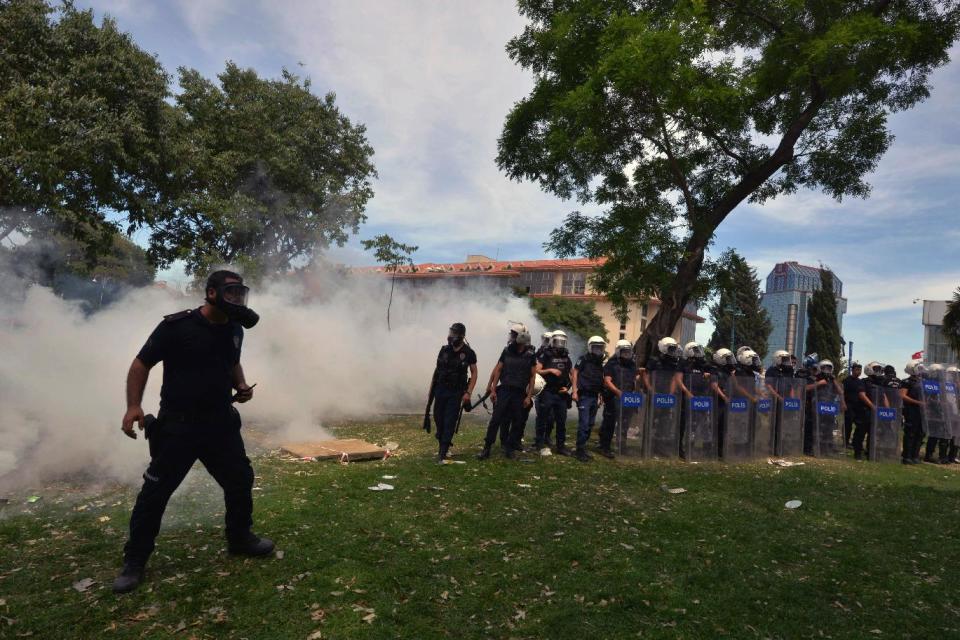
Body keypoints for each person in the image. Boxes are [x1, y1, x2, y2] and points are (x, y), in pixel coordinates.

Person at [113, 270, 270, 594]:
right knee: (155, 494)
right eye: (231, 293)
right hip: (178, 427)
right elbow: (141, 364)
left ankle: (240, 538)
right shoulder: (177, 326)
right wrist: (133, 406)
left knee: (239, 480)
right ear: (211, 293)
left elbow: (231, 361)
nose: (238, 299)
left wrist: (240, 384)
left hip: (220, 425)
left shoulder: (236, 329)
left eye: (241, 293)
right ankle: (135, 562)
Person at [477, 324, 538, 460]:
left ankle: (510, 449)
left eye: (514, 334)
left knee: (517, 421)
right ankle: (487, 448)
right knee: (496, 419)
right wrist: (493, 389)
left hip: (519, 392)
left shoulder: (530, 354)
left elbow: (532, 376)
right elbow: (498, 369)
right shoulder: (507, 351)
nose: (512, 337)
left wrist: (529, 396)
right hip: (504, 390)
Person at [429, 323, 478, 463]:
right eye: (450, 332)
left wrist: (468, 392)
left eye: (454, 333)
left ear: (461, 336)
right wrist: (431, 391)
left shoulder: (468, 352)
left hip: (456, 392)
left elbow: (474, 372)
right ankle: (442, 442)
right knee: (438, 418)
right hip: (441, 389)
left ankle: (443, 451)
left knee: (450, 420)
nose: (450, 336)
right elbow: (437, 371)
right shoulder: (444, 350)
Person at [598, 340, 639, 458]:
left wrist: (634, 393)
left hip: (628, 397)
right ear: (618, 351)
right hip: (613, 397)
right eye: (624, 351)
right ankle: (605, 447)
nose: (627, 354)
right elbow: (607, 381)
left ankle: (622, 446)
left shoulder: (632, 364)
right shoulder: (611, 364)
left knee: (625, 423)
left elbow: (634, 380)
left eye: (628, 351)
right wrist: (618, 392)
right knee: (610, 423)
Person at [537, 330, 574, 455]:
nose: (560, 345)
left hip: (561, 393)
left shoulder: (566, 357)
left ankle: (561, 446)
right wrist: (550, 370)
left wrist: (569, 388)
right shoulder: (545, 355)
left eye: (562, 342)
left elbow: (572, 374)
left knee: (561, 421)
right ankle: (540, 443)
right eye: (557, 342)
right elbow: (537, 370)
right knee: (543, 418)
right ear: (552, 341)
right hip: (547, 391)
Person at [571, 336, 607, 462]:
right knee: (584, 423)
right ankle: (579, 450)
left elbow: (601, 380)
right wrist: (574, 391)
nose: (598, 350)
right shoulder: (583, 359)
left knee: (590, 424)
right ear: (590, 347)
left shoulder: (600, 363)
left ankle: (583, 447)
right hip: (584, 395)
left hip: (594, 396)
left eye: (600, 347)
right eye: (595, 347)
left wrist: (601, 395)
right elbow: (575, 373)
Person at [850, 362, 880, 461]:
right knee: (861, 433)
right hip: (864, 411)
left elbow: (883, 396)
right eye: (875, 369)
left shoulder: (878, 382)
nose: (877, 371)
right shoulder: (863, 381)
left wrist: (886, 408)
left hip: (875, 412)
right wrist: (872, 406)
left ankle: (870, 454)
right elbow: (862, 395)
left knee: (872, 434)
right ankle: (857, 453)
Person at [900, 360, 926, 465]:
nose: (920, 370)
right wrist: (918, 402)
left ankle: (915, 456)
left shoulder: (922, 382)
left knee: (920, 434)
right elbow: (902, 395)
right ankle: (907, 456)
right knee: (910, 433)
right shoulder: (907, 382)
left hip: (922, 412)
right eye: (918, 367)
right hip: (911, 411)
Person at [842, 362, 864, 448]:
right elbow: (842, 393)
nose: (859, 372)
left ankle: (855, 443)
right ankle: (845, 442)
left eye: (860, 370)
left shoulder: (860, 382)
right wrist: (843, 403)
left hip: (858, 407)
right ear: (852, 370)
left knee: (860, 425)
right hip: (848, 405)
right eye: (857, 370)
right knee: (848, 425)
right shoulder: (847, 380)